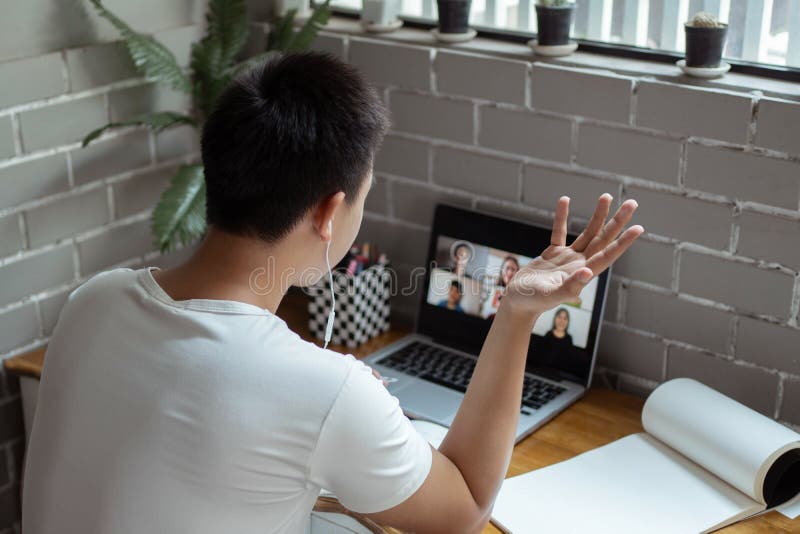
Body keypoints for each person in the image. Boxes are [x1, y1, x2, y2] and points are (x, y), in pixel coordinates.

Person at [22, 50, 643, 534]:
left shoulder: (93, 301)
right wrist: (515, 313)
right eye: (363, 201)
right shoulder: (323, 390)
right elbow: (466, 509)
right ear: (329, 212)